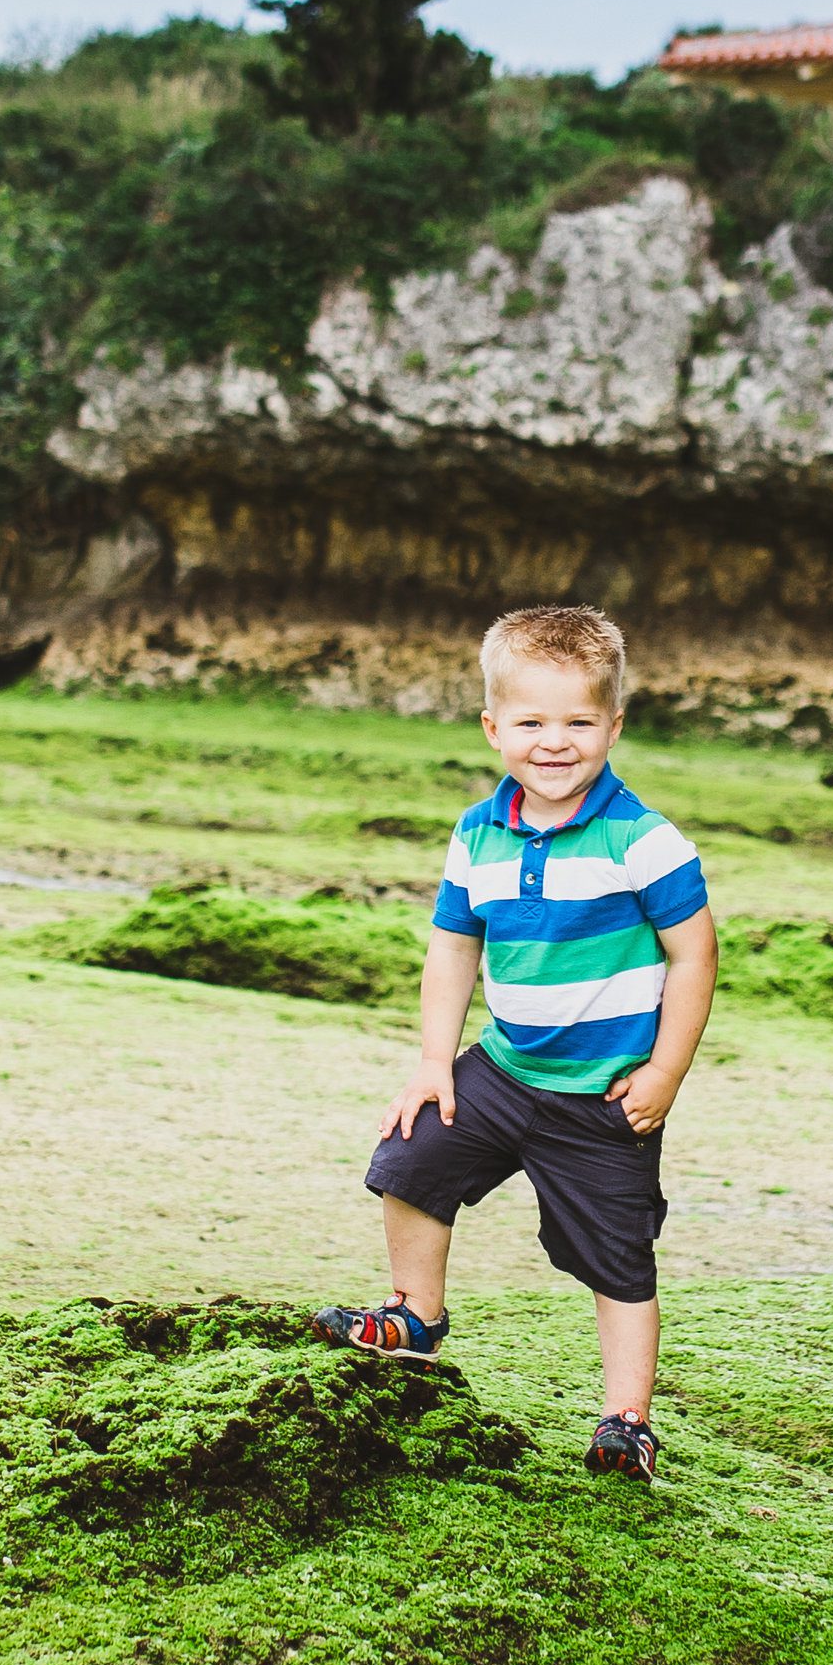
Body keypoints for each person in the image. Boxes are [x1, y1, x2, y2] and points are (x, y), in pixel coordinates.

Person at [310, 602, 717, 1483]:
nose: (555, 742)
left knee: (619, 1259)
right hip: (504, 1070)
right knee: (411, 1154)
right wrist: (433, 1063)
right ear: (494, 728)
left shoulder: (641, 842)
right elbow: (454, 947)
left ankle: (626, 1420)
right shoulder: (478, 833)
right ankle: (416, 1314)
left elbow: (695, 954)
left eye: (578, 721)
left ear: (614, 725)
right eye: (531, 721)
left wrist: (665, 1072)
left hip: (604, 1097)